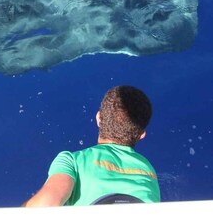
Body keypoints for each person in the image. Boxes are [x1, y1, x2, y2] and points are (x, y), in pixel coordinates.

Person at [24, 85, 160, 207]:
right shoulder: (148, 169)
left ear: (98, 118)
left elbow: (45, 206)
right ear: (141, 134)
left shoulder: (72, 161)